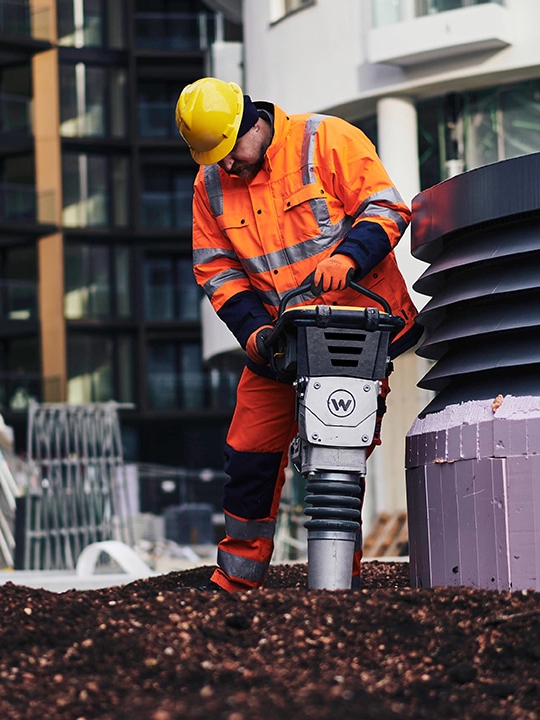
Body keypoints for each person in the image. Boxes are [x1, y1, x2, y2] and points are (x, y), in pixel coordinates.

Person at [175, 77, 422, 591]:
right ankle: (238, 578)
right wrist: (255, 333)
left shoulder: (325, 139)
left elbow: (386, 208)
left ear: (252, 123)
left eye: (229, 152)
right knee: (247, 453)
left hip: (353, 333)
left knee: (338, 455)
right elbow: (217, 269)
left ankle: (336, 582)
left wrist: (347, 258)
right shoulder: (211, 186)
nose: (226, 166)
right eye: (213, 158)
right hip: (281, 341)